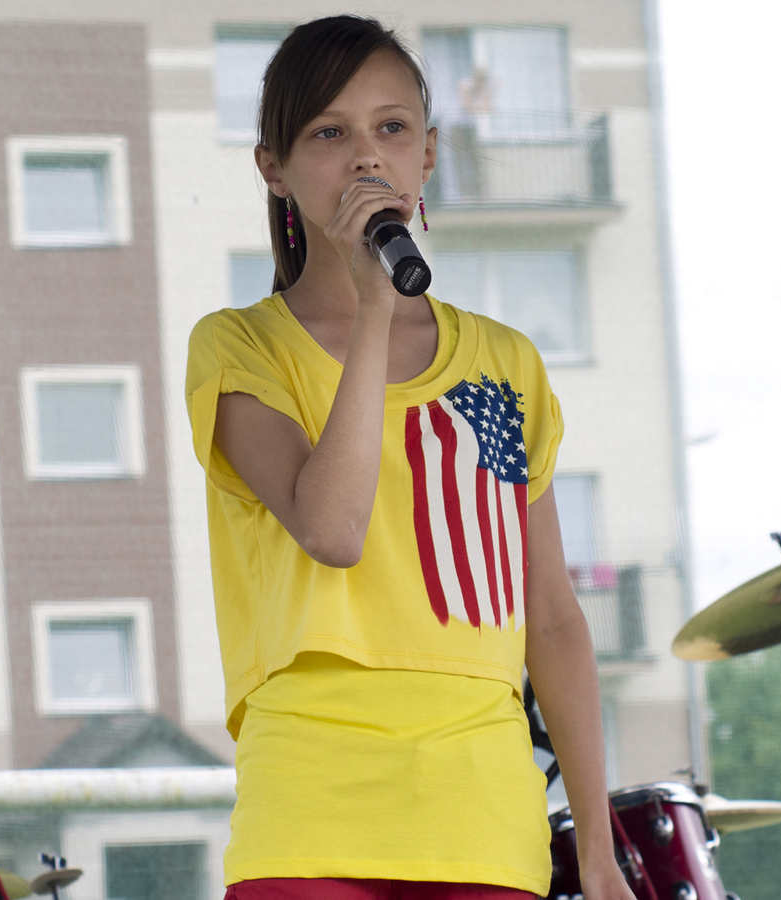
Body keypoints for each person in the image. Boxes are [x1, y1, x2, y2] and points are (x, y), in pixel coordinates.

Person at [184, 15, 636, 900]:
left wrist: (598, 852)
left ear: (426, 154)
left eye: (391, 128)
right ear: (273, 167)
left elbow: (550, 620)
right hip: (310, 815)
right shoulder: (239, 347)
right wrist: (374, 311)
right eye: (329, 133)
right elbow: (332, 529)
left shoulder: (507, 362)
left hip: (484, 822)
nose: (366, 156)